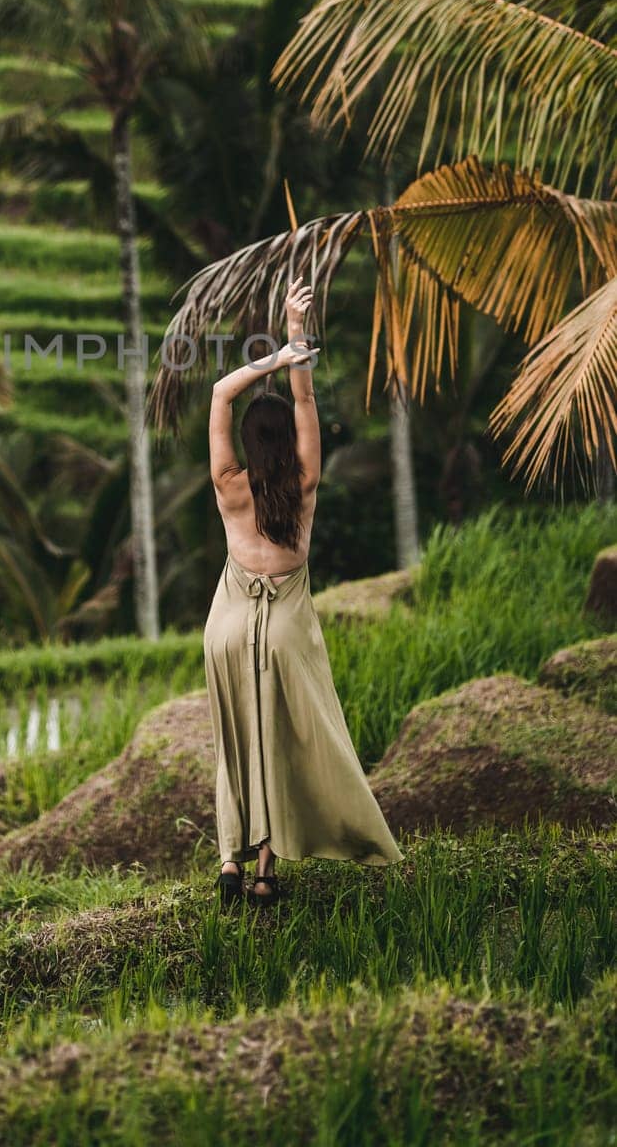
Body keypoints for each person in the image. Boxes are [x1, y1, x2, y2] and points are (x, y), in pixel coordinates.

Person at [204, 274, 404, 910]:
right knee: (283, 741)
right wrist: (297, 342)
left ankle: (229, 862)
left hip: (229, 627)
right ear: (286, 441)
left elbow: (218, 393)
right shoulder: (307, 481)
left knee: (234, 736)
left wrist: (270, 356)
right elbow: (307, 401)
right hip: (285, 627)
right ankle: (266, 871)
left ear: (247, 443)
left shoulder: (228, 484)